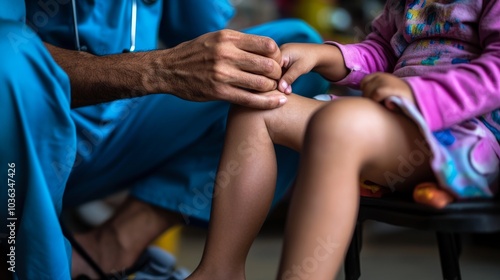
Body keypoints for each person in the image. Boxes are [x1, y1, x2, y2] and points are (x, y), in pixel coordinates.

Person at [0, 1, 330, 279]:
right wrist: (157, 69)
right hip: (24, 138)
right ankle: (38, 267)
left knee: (288, 57)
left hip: (120, 127)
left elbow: (205, 35)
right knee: (7, 56)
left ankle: (113, 246)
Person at [186, 0, 500, 279]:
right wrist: (324, 54)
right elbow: (383, 52)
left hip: (463, 135)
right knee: (257, 107)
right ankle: (219, 270)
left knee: (336, 124)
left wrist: (418, 95)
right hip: (390, 124)